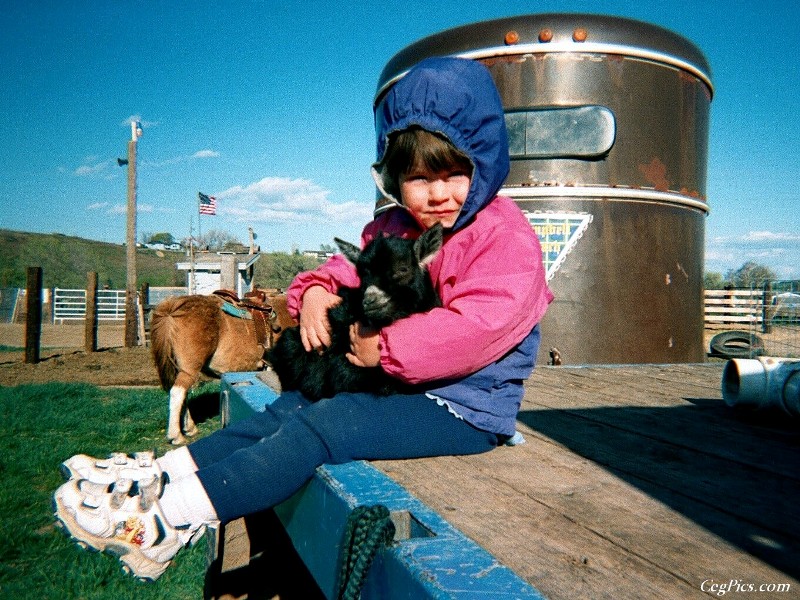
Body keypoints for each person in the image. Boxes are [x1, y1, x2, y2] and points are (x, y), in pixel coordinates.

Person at [53, 56, 553, 582]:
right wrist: (313, 294)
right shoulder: (397, 227)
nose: (437, 194)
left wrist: (387, 348)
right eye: (419, 178)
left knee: (328, 422)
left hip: (463, 404)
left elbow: (480, 327)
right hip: (398, 387)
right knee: (290, 406)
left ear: (484, 164)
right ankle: (160, 475)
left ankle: (167, 522)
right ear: (395, 180)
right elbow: (338, 270)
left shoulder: (503, 237)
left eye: (455, 173)